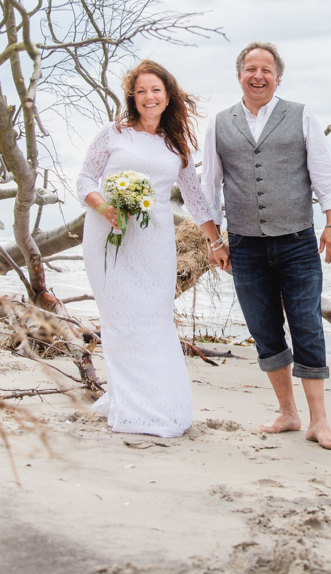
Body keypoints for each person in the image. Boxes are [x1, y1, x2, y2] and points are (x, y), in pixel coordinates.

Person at [202, 42, 331, 450]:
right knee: (264, 329)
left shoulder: (301, 115)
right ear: (240, 75)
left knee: (306, 326)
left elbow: (323, 172)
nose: (258, 75)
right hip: (244, 245)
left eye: (266, 69)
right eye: (251, 68)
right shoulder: (218, 123)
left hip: (298, 241)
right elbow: (209, 186)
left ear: (277, 77)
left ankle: (319, 421)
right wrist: (214, 240)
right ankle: (288, 412)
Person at [77, 60, 220, 438]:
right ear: (132, 97)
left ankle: (160, 404)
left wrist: (215, 240)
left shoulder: (176, 146)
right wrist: (105, 206)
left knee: (154, 320)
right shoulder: (113, 133)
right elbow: (84, 179)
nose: (148, 97)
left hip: (154, 240)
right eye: (140, 91)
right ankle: (129, 405)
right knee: (120, 321)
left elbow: (195, 198)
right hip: (107, 236)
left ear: (167, 95)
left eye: (155, 89)